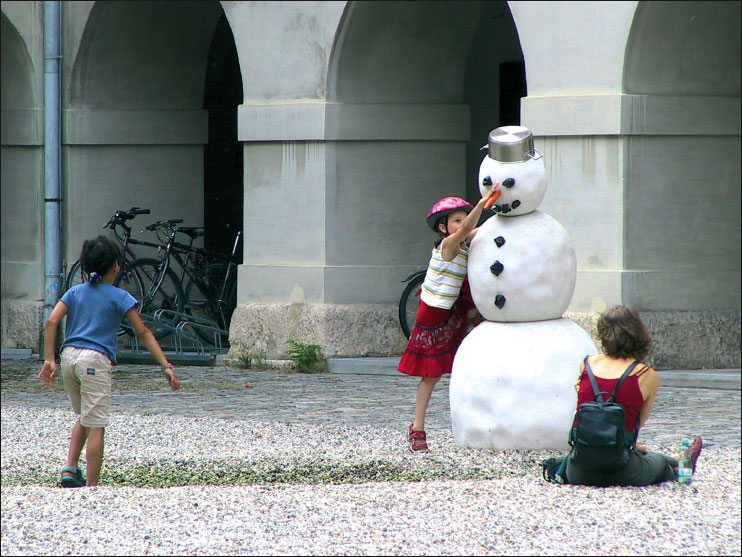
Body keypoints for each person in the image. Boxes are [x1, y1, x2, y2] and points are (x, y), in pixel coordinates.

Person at [38, 236, 180, 487]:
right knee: (97, 425)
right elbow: (143, 332)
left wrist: (50, 359)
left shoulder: (74, 292)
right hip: (95, 361)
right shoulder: (120, 296)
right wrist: (165, 365)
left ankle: (70, 469)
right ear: (115, 266)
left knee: (84, 415)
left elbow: (51, 321)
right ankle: (93, 488)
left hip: (69, 356)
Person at [543, 305, 703, 486]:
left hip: (577, 471)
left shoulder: (586, 365)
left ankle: (677, 462)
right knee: (657, 461)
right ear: (638, 333)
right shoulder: (647, 375)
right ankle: (679, 463)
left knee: (642, 456)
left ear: (602, 333)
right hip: (624, 472)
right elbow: (633, 428)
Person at [399, 186, 500, 452]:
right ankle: (417, 427)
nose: (461, 223)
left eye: (461, 219)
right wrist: (481, 205)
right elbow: (468, 228)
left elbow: (483, 231)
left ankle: (481, 420)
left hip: (452, 313)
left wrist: (502, 210)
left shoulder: (463, 242)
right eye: (456, 220)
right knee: (430, 375)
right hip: (432, 317)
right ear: (443, 228)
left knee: (466, 366)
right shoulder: (448, 245)